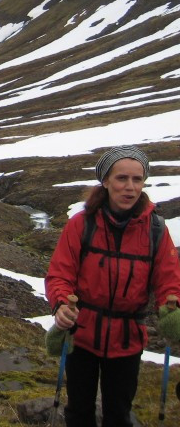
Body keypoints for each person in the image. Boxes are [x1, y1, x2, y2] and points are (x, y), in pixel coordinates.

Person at [45, 145, 180, 426]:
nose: (130, 187)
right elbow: (60, 274)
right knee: (78, 412)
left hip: (127, 340)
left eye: (137, 179)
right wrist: (60, 305)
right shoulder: (81, 224)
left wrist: (172, 306)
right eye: (122, 179)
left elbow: (169, 278)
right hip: (81, 335)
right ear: (105, 181)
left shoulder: (156, 230)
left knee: (118, 415)